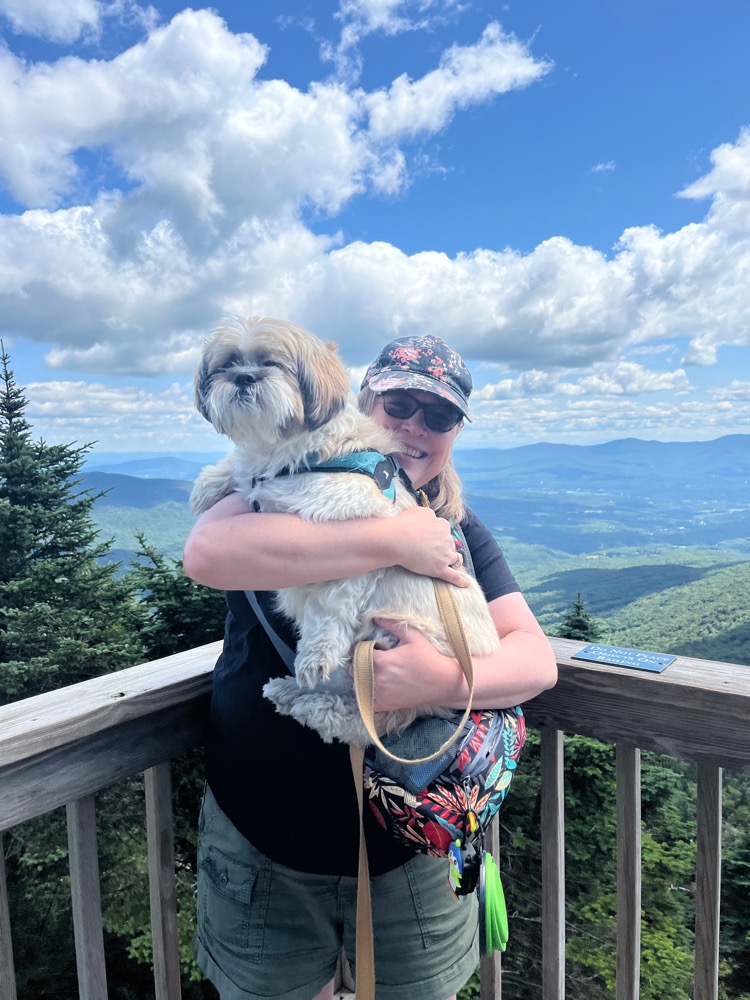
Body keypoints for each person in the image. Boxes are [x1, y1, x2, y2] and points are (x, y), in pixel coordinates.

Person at [182, 331, 557, 1000]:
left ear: (455, 432)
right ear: (359, 404)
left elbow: (536, 662)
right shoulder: (279, 481)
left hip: (408, 847)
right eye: (398, 406)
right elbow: (207, 553)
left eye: (437, 416)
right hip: (261, 834)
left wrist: (439, 680)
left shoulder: (460, 530)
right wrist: (392, 538)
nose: (415, 427)